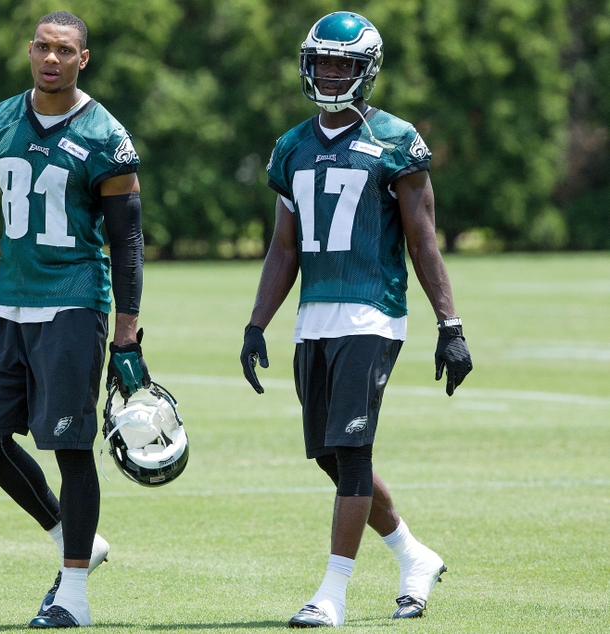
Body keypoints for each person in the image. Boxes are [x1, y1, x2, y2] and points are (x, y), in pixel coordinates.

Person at [239, 11, 473, 628]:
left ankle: (332, 593)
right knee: (330, 455)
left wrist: (449, 326)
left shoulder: (396, 139)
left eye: (344, 63)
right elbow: (284, 247)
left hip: (372, 315)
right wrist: (257, 323)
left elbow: (423, 242)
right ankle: (414, 556)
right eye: (323, 62)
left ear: (365, 70)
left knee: (349, 450)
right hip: (313, 317)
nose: (332, 72)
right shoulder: (291, 146)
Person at [0, 11, 151, 629]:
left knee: (71, 449)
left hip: (74, 305)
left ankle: (74, 596)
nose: (51, 59)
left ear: (84, 59)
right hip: (7, 303)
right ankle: (71, 539)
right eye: (42, 48)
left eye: (65, 50)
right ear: (29, 52)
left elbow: (127, 243)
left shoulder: (107, 136)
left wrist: (127, 335)